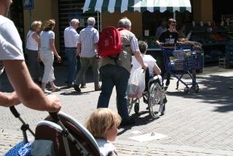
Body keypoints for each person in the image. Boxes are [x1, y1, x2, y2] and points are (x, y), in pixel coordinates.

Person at [0, 0, 61, 112]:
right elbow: (28, 94)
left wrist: (8, 100)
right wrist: (50, 103)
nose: (12, 1)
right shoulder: (3, 25)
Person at [97, 17, 147, 126]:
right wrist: (143, 65)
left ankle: (99, 119)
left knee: (105, 93)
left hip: (105, 66)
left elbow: (98, 48)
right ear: (128, 26)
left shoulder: (110, 33)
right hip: (122, 67)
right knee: (121, 95)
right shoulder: (130, 35)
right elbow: (136, 52)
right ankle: (123, 118)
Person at [73, 17, 100, 92]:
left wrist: (78, 53)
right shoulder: (95, 31)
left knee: (82, 69)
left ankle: (76, 83)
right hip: (92, 54)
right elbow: (95, 43)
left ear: (87, 23)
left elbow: (79, 43)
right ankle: (97, 86)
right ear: (94, 23)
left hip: (83, 54)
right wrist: (98, 53)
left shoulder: (82, 31)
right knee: (95, 70)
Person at [39, 19, 62, 93]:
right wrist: (57, 55)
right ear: (52, 26)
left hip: (42, 52)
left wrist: (39, 54)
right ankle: (43, 88)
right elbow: (52, 46)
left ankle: (53, 86)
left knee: (50, 69)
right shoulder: (51, 33)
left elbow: (39, 44)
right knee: (47, 70)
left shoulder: (42, 33)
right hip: (48, 53)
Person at [156, 18, 179, 89]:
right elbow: (157, 40)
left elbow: (176, 42)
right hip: (165, 51)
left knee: (171, 65)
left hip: (172, 52)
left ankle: (168, 78)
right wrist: (159, 43)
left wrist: (181, 42)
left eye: (175, 25)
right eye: (172, 25)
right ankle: (162, 80)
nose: (174, 26)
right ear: (169, 25)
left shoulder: (176, 33)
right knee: (165, 66)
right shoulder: (164, 33)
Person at [63, 18, 86, 88]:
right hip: (73, 50)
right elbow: (78, 40)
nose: (78, 26)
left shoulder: (66, 29)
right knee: (74, 66)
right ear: (74, 24)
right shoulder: (73, 31)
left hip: (67, 49)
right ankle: (70, 82)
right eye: (78, 24)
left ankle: (68, 79)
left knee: (71, 65)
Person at [25, 20, 42, 84]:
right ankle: (33, 79)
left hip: (29, 49)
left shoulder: (29, 32)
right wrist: (39, 53)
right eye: (39, 27)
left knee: (35, 64)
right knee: (34, 65)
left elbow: (26, 40)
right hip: (33, 50)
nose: (40, 28)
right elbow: (40, 43)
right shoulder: (34, 34)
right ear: (35, 27)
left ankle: (38, 77)